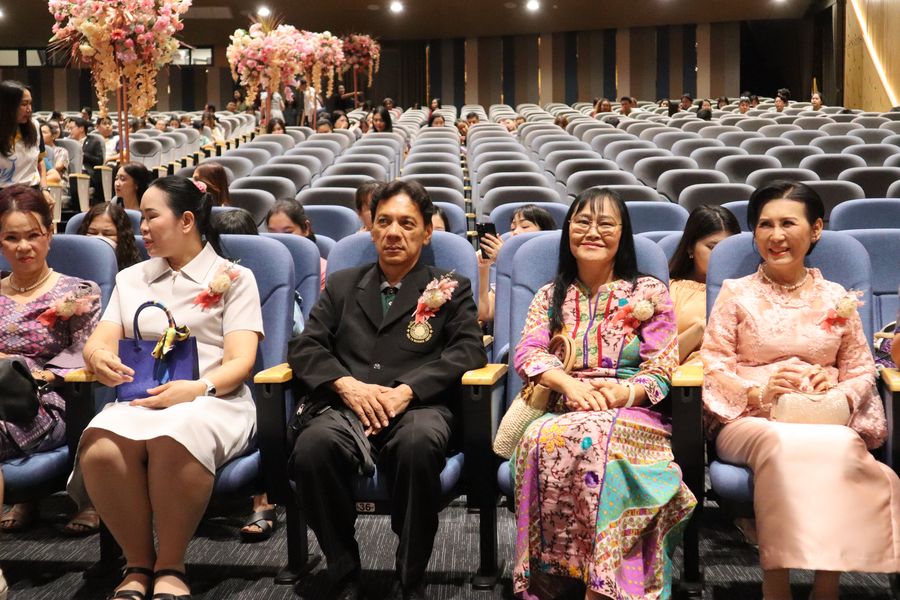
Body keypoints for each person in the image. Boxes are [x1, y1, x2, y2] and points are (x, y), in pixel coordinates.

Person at [700, 181, 900, 600]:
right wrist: (760, 392)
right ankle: (777, 586)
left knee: (842, 446)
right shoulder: (736, 293)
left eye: (788, 223)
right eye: (765, 225)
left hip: (823, 415)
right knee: (782, 444)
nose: (776, 236)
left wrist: (839, 389)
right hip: (752, 418)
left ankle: (827, 586)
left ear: (816, 229)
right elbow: (714, 365)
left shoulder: (836, 296)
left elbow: (861, 368)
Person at [288, 179, 486, 600]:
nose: (394, 232)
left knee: (418, 445)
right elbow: (306, 346)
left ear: (427, 232)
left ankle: (409, 577)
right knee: (311, 449)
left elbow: (469, 350)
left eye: (406, 223)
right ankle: (343, 570)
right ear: (371, 228)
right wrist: (345, 385)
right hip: (347, 408)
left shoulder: (449, 286)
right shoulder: (342, 284)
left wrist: (408, 390)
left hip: (418, 408)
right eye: (384, 222)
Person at [70, 176, 263, 600]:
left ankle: (171, 564)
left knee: (173, 438)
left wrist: (195, 389)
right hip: (142, 399)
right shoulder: (132, 278)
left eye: (152, 217)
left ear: (187, 220)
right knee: (100, 445)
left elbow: (241, 362)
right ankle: (138, 563)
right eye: (141, 218)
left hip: (214, 399)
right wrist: (98, 358)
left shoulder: (234, 277)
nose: (142, 227)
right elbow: (99, 340)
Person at [510, 187, 696, 599]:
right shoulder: (550, 295)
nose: (592, 232)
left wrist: (621, 394)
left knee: (597, 442)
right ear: (568, 231)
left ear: (622, 234)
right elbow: (527, 352)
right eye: (582, 222)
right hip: (563, 407)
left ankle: (603, 587)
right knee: (537, 438)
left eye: (606, 223)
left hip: (632, 412)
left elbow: (662, 367)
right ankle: (551, 582)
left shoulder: (649, 293)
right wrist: (569, 384)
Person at [0, 186, 101, 538]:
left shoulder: (78, 291)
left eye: (32, 235)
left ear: (49, 234)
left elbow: (85, 353)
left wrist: (27, 370)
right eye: (11, 238)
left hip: (44, 403)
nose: (23, 246)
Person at [667, 205, 741, 364]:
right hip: (683, 376)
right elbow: (659, 360)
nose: (721, 256)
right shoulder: (667, 291)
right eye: (713, 248)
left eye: (728, 249)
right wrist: (700, 328)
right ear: (690, 247)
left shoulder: (747, 290)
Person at [476, 204, 556, 324]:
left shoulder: (554, 264)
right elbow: (485, 313)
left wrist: (505, 260)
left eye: (525, 226)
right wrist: (483, 268)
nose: (516, 232)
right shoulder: (505, 267)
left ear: (545, 232)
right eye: (513, 228)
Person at [0, 81, 53, 208]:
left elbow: (40, 161)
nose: (29, 109)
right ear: (7, 105)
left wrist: (45, 189)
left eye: (30, 103)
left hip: (31, 192)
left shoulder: (35, 126)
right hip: (3, 195)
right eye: (24, 104)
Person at [266, 200, 327, 289]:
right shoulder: (263, 266)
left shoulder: (322, 270)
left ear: (306, 228)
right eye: (272, 234)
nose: (280, 240)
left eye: (288, 232)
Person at [76, 202, 143, 271]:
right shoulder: (73, 265)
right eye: (92, 232)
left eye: (108, 234)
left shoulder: (135, 271)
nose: (99, 240)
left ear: (122, 237)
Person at [65, 117, 105, 205]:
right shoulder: (67, 143)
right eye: (68, 129)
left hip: (87, 172)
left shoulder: (94, 142)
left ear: (81, 129)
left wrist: (83, 155)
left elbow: (99, 161)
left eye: (71, 128)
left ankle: (77, 207)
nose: (69, 131)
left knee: (75, 179)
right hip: (69, 171)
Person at [40, 120, 69, 187]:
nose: (41, 135)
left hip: (58, 184)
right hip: (42, 180)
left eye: (44, 132)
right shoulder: (36, 150)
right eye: (40, 133)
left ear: (53, 136)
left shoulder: (61, 151)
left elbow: (57, 167)